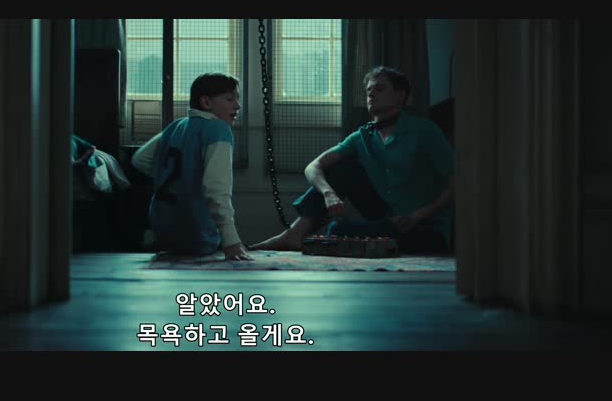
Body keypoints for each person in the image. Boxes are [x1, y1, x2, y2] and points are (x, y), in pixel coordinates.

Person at [251, 66, 455, 254]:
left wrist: (417, 216)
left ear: (400, 95)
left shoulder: (424, 131)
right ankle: (295, 234)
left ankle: (381, 238)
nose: (371, 94)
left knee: (337, 231)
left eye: (379, 89)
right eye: (368, 91)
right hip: (386, 218)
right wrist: (329, 194)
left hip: (424, 225)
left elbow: (456, 184)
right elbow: (313, 167)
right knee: (341, 169)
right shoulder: (363, 136)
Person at [131, 73, 253, 261]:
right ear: (206, 102)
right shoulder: (218, 129)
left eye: (237, 99)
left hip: (163, 234)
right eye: (230, 99)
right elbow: (217, 189)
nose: (237, 105)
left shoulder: (176, 126)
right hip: (197, 234)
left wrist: (175, 176)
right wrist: (231, 241)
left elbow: (139, 159)